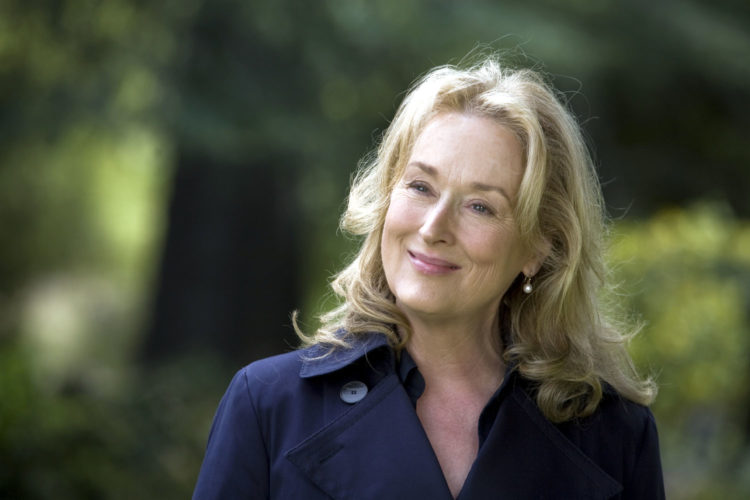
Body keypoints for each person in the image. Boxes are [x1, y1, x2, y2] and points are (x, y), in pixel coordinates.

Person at [192, 56, 665, 499]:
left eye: (480, 206)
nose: (434, 227)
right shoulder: (268, 406)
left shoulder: (616, 435)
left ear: (539, 246)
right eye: (420, 186)